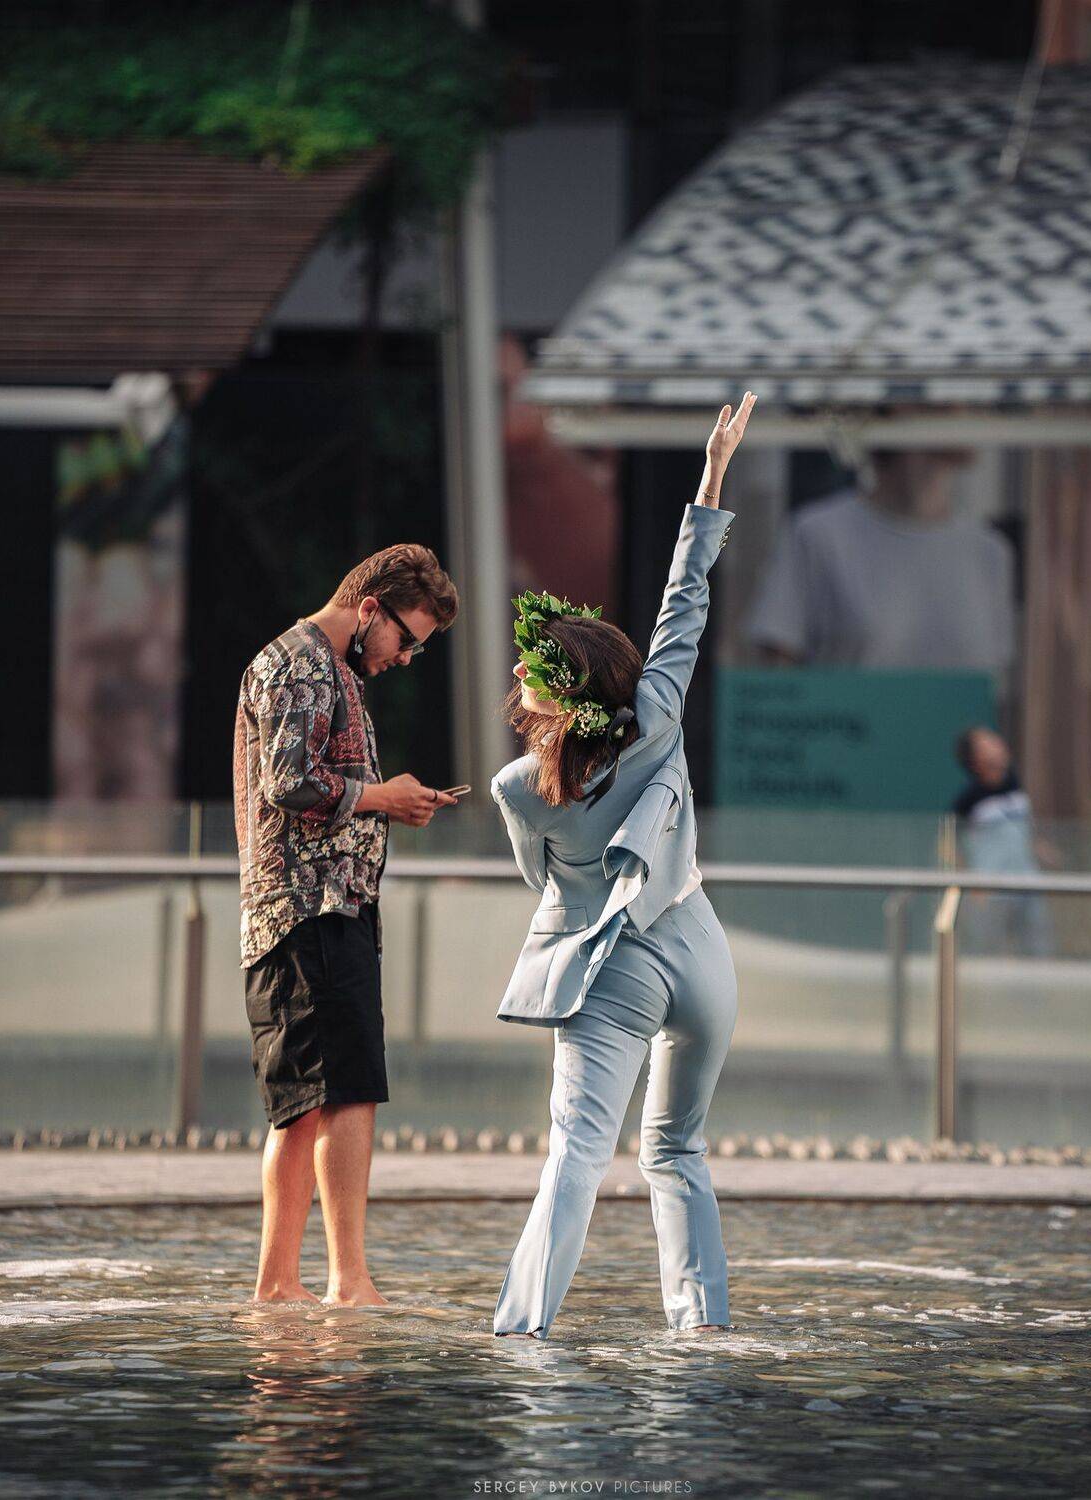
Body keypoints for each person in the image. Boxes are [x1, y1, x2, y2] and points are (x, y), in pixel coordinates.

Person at [489, 393, 756, 1340]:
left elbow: (545, 885)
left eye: (527, 672)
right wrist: (711, 478)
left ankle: (524, 1330)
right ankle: (702, 1329)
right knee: (678, 1150)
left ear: (555, 694)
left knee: (575, 1155)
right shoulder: (657, 718)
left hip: (611, 971)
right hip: (702, 952)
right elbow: (687, 596)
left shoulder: (520, 789)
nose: (515, 680)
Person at [233, 544, 459, 1305]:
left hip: (313, 910)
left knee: (306, 1103)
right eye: (407, 639)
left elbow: (313, 782)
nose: (405, 658)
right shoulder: (302, 664)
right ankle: (346, 1281)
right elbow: (289, 781)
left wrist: (394, 800)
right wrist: (383, 798)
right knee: (341, 1093)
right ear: (370, 609)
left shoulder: (327, 669)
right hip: (310, 910)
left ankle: (283, 1284)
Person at [743, 449, 1015, 674]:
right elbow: (775, 678)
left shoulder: (988, 552)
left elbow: (994, 687)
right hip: (847, 734)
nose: (970, 407)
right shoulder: (818, 535)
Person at [952, 725, 1054, 958]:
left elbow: (1025, 833)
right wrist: (969, 881)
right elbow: (952, 844)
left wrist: (1041, 850)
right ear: (975, 759)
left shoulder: (1015, 786)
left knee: (1038, 951)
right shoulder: (968, 800)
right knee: (987, 953)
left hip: (1028, 884)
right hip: (992, 889)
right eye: (986, 744)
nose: (997, 745)